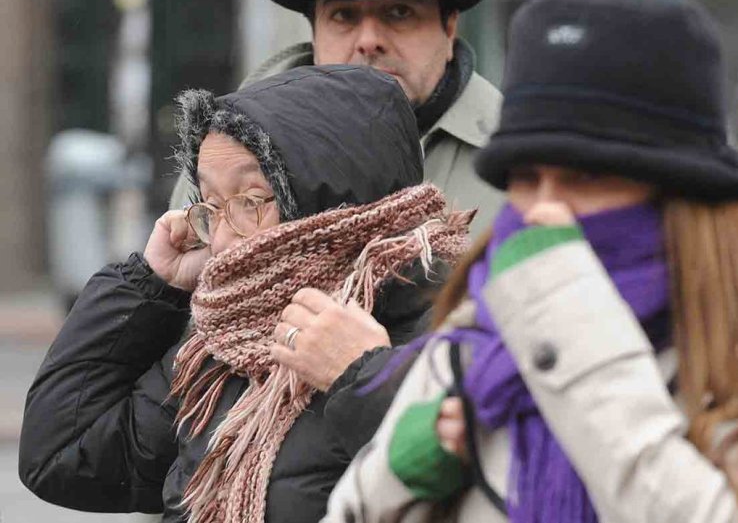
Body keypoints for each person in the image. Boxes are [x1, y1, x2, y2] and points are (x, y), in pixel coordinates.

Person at [324, 0, 738, 523]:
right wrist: (399, 475)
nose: (543, 210)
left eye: (584, 177)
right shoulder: (484, 325)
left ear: (674, 190)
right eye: (525, 177)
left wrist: (572, 322)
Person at [19, 66, 470, 522]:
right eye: (211, 206)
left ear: (339, 198)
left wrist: (362, 376)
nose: (223, 240)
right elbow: (64, 456)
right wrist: (151, 282)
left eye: (251, 201)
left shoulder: (455, 331)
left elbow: (488, 487)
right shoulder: (227, 344)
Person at [169, 0, 503, 238]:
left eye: (400, 12)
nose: (369, 40)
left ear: (449, 28)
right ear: (313, 33)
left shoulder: (524, 162)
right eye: (344, 15)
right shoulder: (221, 156)